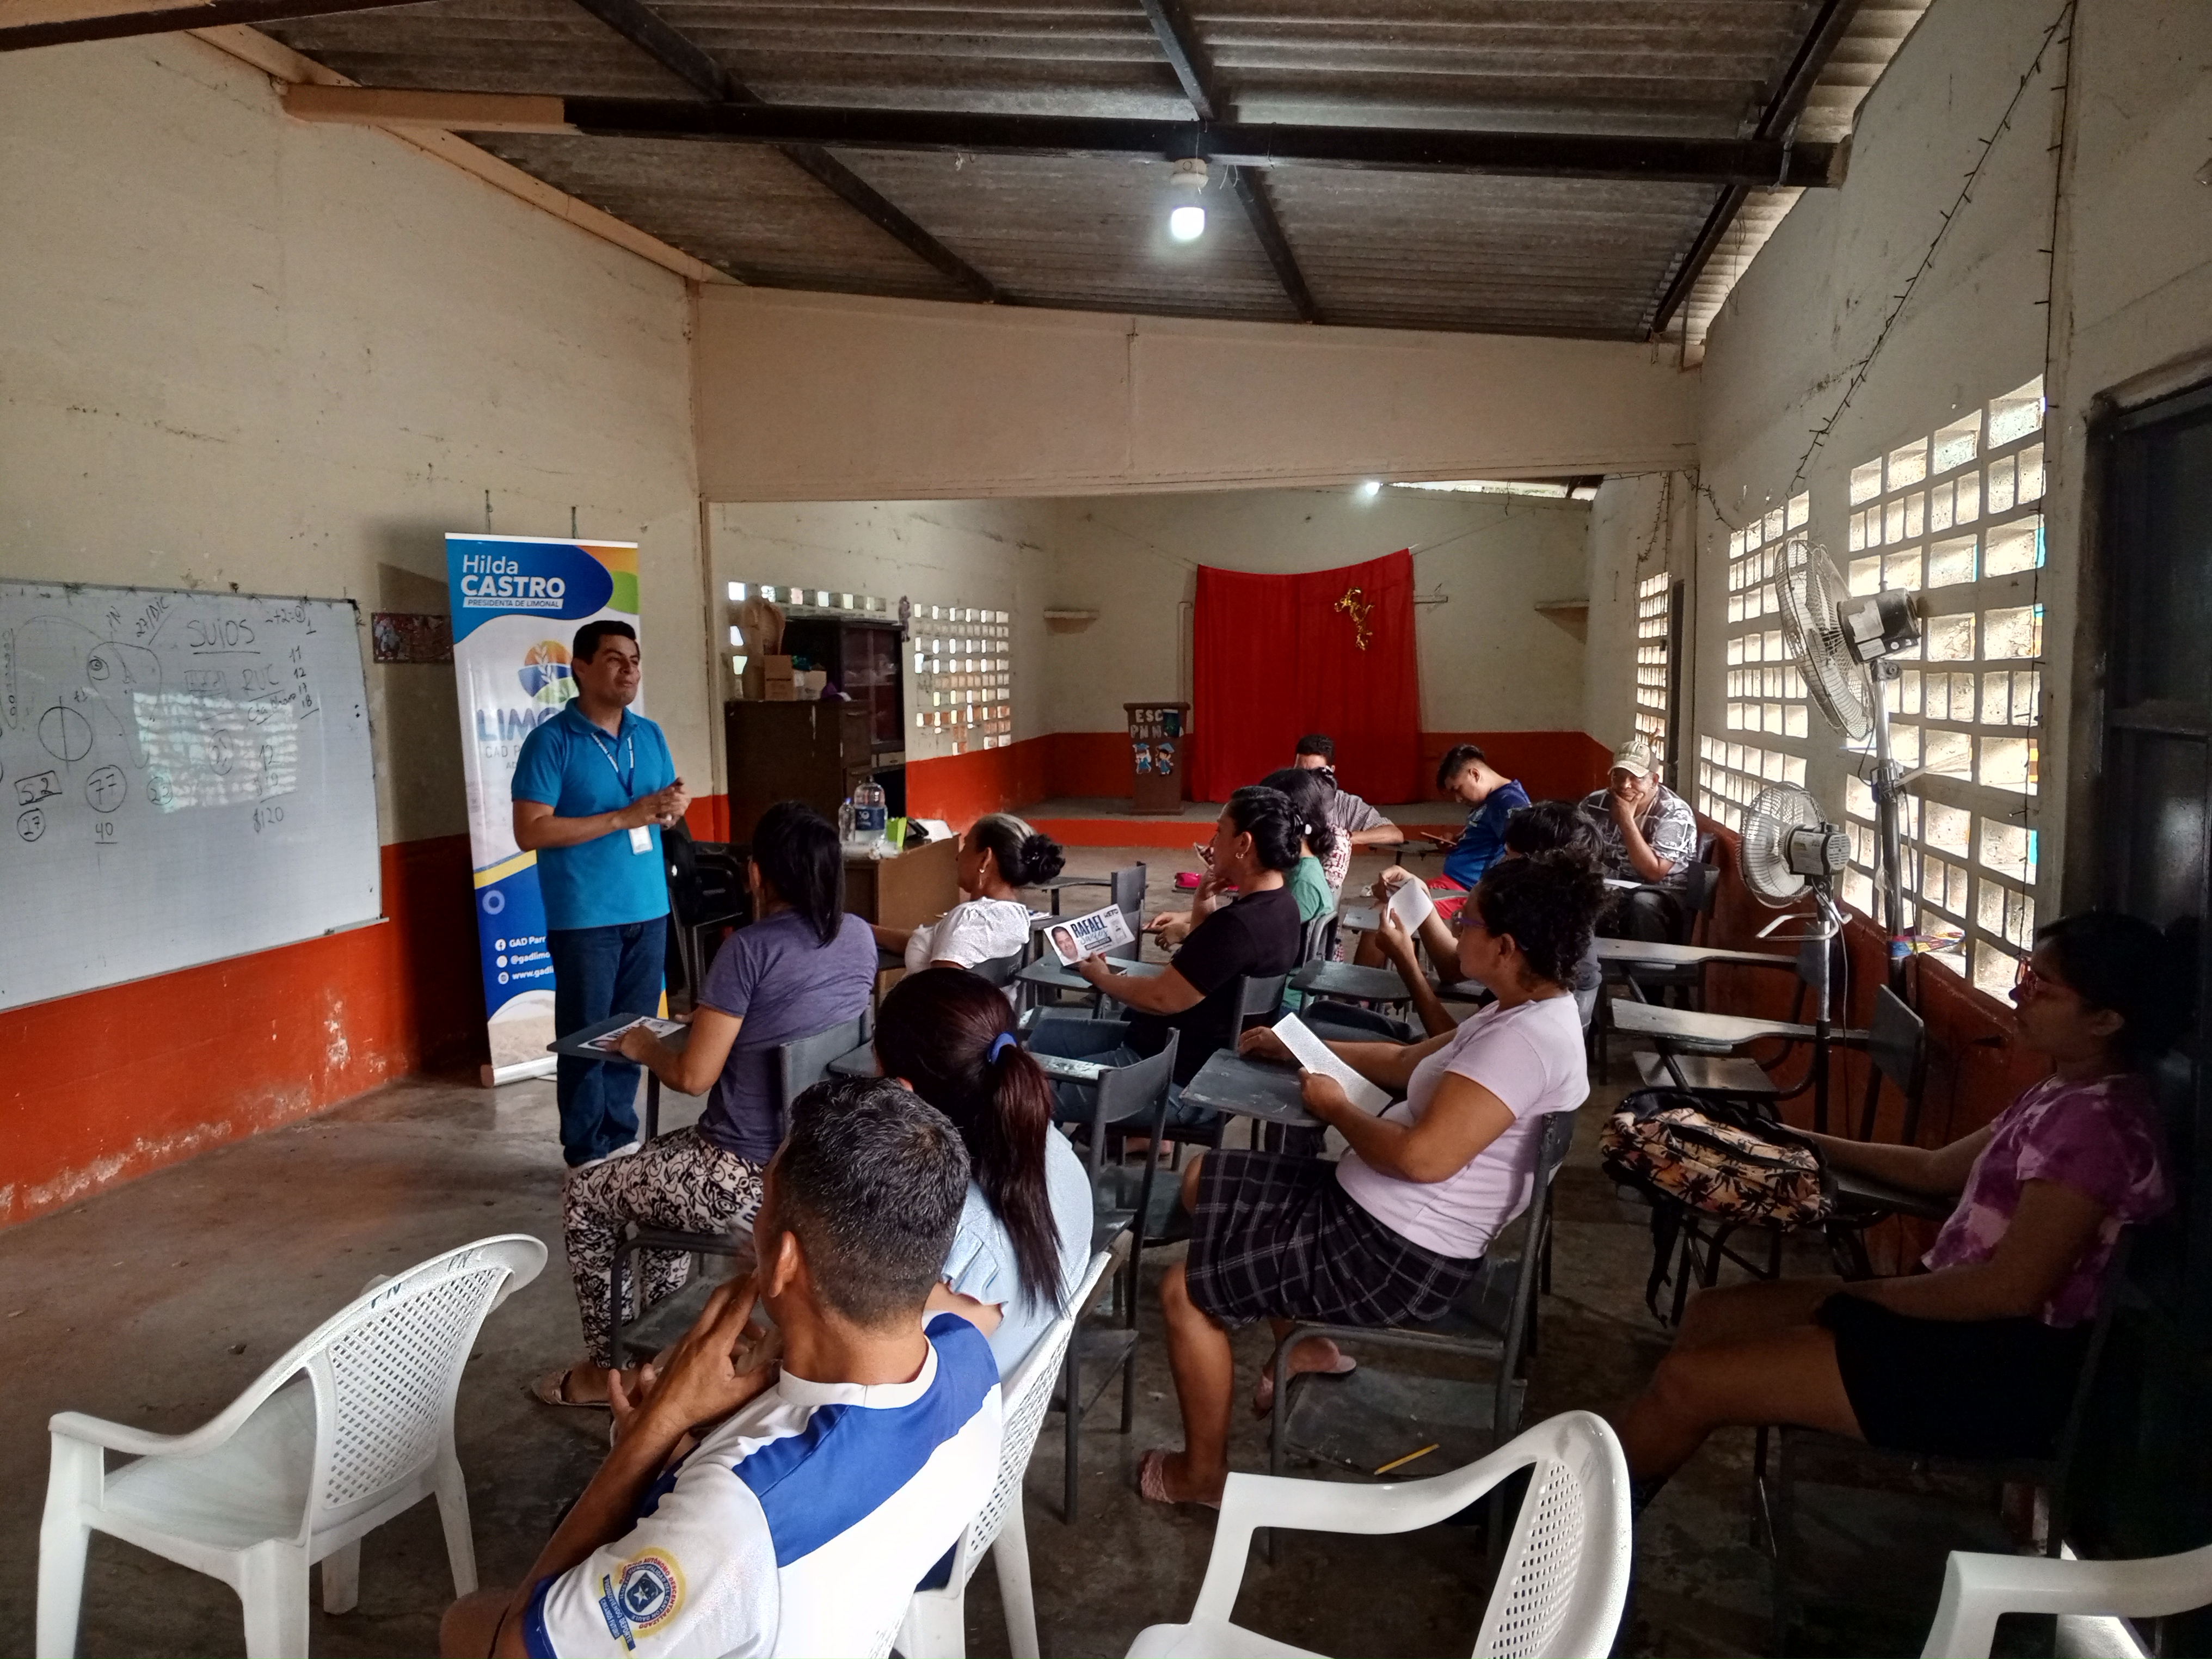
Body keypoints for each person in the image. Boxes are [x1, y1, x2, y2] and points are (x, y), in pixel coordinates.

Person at [1611, 911, 2180, 1510]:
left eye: (2043, 987)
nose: (2019, 995)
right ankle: (1625, 1483)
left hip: (1992, 1371)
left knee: (1688, 1384)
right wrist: (1781, 1136)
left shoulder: (2097, 1128)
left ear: (2105, 1019)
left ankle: (1580, 1524)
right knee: (1714, 1313)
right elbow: (1934, 1170)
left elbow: (2010, 1291)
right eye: (2024, 975)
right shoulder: (2061, 1091)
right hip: (1954, 1328)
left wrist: (1864, 1298)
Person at [441, 1079, 1004, 1659]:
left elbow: (514, 1649)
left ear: (784, 1261)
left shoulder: (736, 1514)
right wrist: (686, 1451)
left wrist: (656, 1428)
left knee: (465, 1621)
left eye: (762, 1206)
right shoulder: (970, 1356)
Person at [1139, 852, 1605, 1506]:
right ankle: (1304, 1345)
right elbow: (1405, 1060)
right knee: (1204, 1177)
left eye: (1467, 921)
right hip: (1375, 1213)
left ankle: (1202, 1477)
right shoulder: (1515, 1011)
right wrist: (1299, 1047)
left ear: (1504, 947)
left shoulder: (1523, 1044)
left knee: (1184, 1292)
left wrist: (1336, 1108)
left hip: (1393, 1254)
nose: (1455, 927)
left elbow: (1421, 1159)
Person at [533, 800, 877, 1408]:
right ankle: (669, 1356)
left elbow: (693, 1077)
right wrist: (720, 1019)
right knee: (653, 1180)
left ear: (756, 874)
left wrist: (643, 1046)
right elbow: (791, 1014)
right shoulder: (856, 936)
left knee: (586, 1194)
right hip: (818, 1165)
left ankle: (606, 1372)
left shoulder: (747, 949)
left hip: (742, 1176)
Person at [511, 619, 689, 1168]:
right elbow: (530, 830)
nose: (629, 670)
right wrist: (621, 818)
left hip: (649, 907)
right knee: (587, 1034)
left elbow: (660, 809)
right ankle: (587, 1151)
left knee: (634, 1032)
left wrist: (670, 811)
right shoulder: (551, 742)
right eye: (614, 659)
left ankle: (621, 1134)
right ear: (581, 668)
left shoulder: (649, 735)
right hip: (585, 915)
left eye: (634, 660)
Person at [1040, 786, 1304, 1126]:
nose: (1212, 843)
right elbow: (1206, 969)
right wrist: (1203, 904)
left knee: (1022, 1096)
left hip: (1174, 1078)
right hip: (1169, 1050)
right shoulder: (1282, 907)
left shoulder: (1240, 926)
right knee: (1047, 1036)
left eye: (1220, 832)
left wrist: (1101, 978)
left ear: (1244, 843)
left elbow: (1162, 998)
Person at [874, 967, 1094, 1376]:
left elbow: (881, 1387)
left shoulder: (953, 1250)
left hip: (962, 1411)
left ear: (903, 1093)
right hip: (1001, 1388)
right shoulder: (1050, 1149)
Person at [1351, 800, 1607, 1038]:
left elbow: (1459, 1049)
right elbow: (1454, 968)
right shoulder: (1550, 925)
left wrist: (1408, 963)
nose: (1499, 865)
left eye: (1509, 857)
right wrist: (1419, 897)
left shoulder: (1543, 966)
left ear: (1537, 873)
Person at [1349, 744, 1527, 968]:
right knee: (1389, 902)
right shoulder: (1491, 800)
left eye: (1457, 789)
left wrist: (1486, 897)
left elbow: (1519, 855)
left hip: (1464, 893)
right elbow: (1486, 843)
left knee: (1384, 915)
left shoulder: (1509, 804)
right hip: (1452, 886)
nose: (1458, 799)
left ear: (1474, 774)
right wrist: (1457, 843)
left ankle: (1359, 990)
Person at [873, 813, 1062, 973]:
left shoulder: (969, 919)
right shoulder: (1017, 916)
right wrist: (866, 929)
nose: (958, 857)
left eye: (966, 846)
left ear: (985, 858)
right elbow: (927, 944)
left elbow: (943, 994)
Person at [1578, 736, 1699, 942]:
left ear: (1654, 781)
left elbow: (1654, 873)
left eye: (1635, 778)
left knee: (1644, 903)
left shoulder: (1675, 814)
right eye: (1618, 776)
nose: (1625, 785)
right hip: (1611, 884)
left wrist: (1626, 820)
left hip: (1661, 891)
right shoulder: (1594, 803)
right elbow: (1577, 850)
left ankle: (1651, 962)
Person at [1294, 734, 1404, 888]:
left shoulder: (1346, 805)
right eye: (1301, 772)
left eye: (1316, 773)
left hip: (1326, 890)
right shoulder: (1281, 798)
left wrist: (1344, 837)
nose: (1308, 781)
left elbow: (1394, 834)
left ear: (1331, 771)